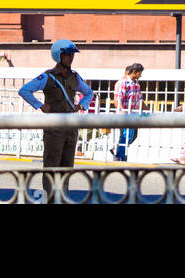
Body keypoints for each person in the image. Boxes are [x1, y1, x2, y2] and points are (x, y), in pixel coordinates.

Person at [19, 40, 94, 187]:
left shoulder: (75, 77)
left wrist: (80, 106)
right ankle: (50, 197)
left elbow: (89, 93)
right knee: (51, 165)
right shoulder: (47, 76)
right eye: (67, 55)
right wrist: (40, 105)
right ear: (59, 56)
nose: (71, 58)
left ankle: (64, 197)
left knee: (67, 167)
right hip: (53, 127)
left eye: (72, 54)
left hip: (70, 127)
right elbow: (24, 90)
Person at [112, 62, 144, 162]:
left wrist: (146, 110)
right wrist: (122, 111)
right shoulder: (123, 83)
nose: (141, 75)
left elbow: (140, 99)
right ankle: (120, 155)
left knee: (133, 135)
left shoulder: (136, 84)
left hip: (134, 114)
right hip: (125, 114)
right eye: (140, 73)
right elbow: (119, 99)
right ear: (134, 72)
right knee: (125, 135)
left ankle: (118, 151)